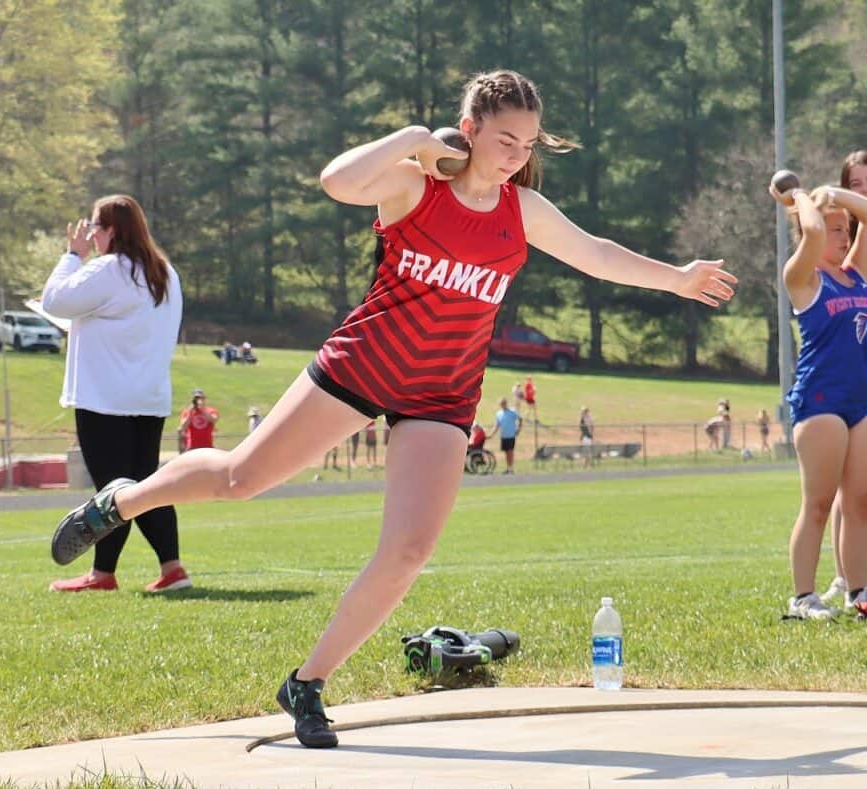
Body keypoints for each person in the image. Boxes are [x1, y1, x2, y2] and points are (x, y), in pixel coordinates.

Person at [50, 69, 735, 748]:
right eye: (504, 140)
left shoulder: (519, 211)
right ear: (467, 131)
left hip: (443, 392)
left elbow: (596, 255)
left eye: (527, 145)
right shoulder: (415, 184)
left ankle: (308, 683)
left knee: (408, 550)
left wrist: (675, 279)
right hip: (364, 364)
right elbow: (336, 181)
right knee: (240, 478)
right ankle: (123, 501)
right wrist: (410, 138)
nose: (516, 157)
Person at [44, 194, 190, 594]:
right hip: (148, 398)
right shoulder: (164, 272)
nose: (90, 235)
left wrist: (73, 256)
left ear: (111, 231)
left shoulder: (109, 268)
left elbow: (54, 300)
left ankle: (102, 575)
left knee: (113, 493)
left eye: (94, 227)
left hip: (105, 399)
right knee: (144, 485)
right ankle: (171, 567)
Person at [769, 174, 867, 619]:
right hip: (820, 401)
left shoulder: (855, 276)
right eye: (835, 228)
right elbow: (808, 231)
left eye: (845, 229)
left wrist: (840, 196)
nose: (842, 235)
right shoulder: (802, 276)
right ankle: (802, 597)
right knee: (819, 504)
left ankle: (859, 591)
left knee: (861, 501)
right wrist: (803, 197)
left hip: (859, 401)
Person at [820, 150, 867, 610]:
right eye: (855, 183)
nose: (862, 191)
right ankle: (843, 576)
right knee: (847, 488)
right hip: (850, 374)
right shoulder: (840, 251)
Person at [489, 396, 522, 474]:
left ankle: (511, 468)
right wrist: (491, 434)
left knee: (510, 452)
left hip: (511, 435)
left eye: (504, 403)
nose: (503, 405)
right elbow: (497, 425)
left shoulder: (512, 411)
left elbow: (520, 418)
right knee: (506, 453)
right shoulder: (499, 414)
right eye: (501, 404)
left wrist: (518, 429)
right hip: (504, 436)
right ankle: (508, 468)